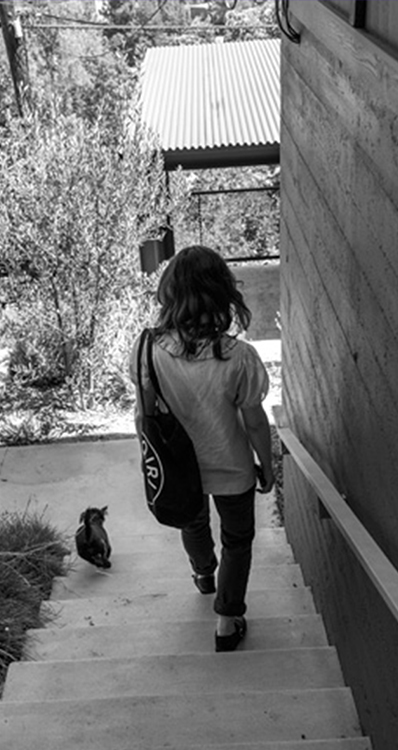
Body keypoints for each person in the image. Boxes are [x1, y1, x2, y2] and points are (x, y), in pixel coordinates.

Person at [130, 245, 274, 652]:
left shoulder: (148, 350)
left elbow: (144, 415)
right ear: (222, 294)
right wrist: (266, 464)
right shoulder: (240, 358)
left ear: (171, 294)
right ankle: (228, 621)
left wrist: (149, 459)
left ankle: (203, 574)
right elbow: (255, 420)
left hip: (180, 468)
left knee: (193, 524)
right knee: (238, 539)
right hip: (232, 466)